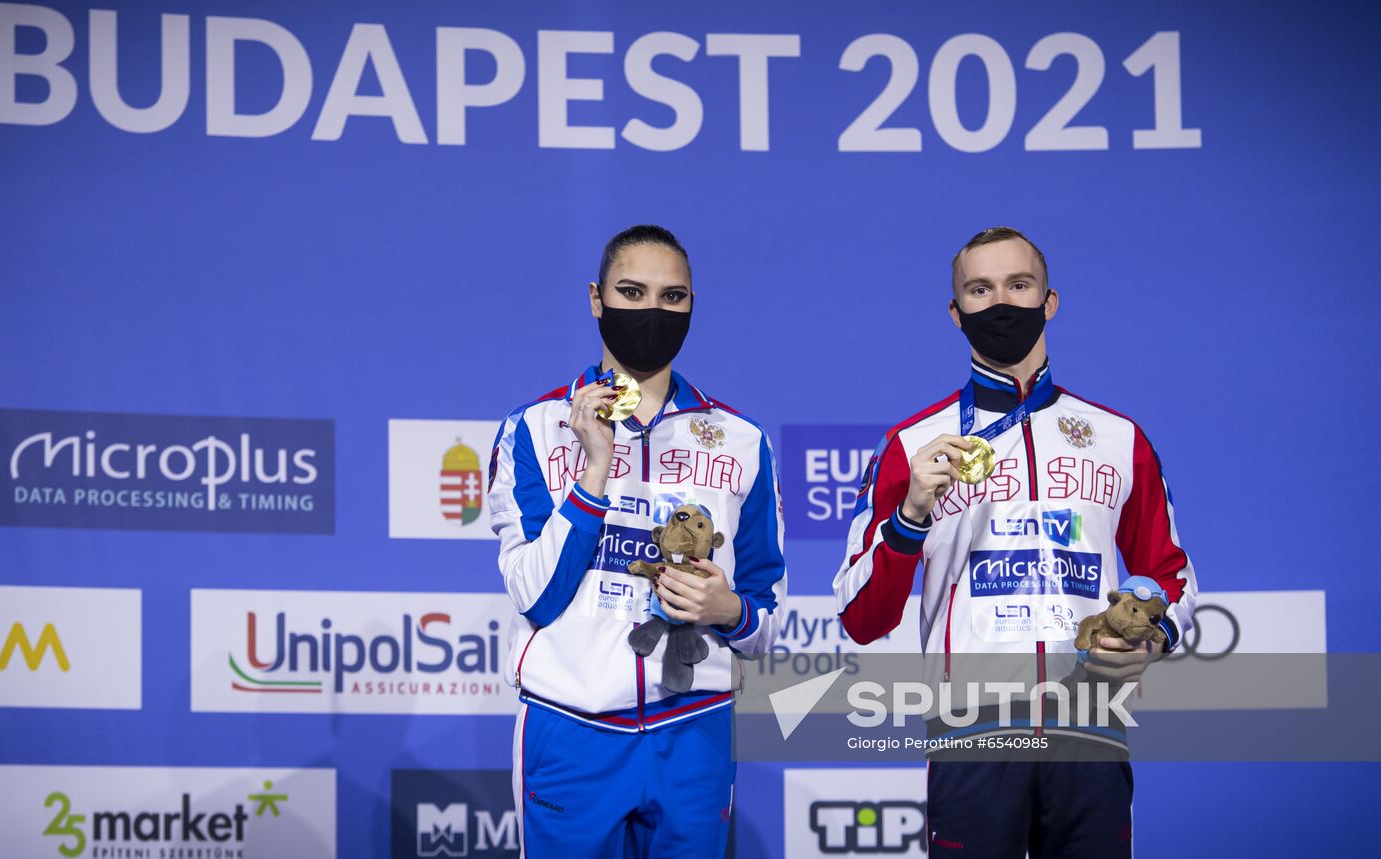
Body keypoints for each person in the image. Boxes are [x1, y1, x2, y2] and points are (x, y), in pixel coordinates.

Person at [832, 227, 1198, 858]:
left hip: (1090, 728)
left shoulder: (1119, 439)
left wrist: (1154, 639)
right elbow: (860, 617)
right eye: (980, 290)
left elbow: (1171, 574)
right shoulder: (912, 446)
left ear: (1049, 301)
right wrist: (913, 513)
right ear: (956, 313)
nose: (1000, 302)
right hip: (973, 736)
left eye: (1017, 285)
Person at [489, 224, 786, 857]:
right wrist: (593, 473)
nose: (653, 311)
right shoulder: (533, 430)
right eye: (632, 292)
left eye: (672, 297)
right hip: (570, 727)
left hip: (695, 728)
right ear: (596, 299)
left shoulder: (741, 439)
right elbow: (536, 597)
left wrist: (728, 611)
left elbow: (766, 621)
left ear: (691, 306)